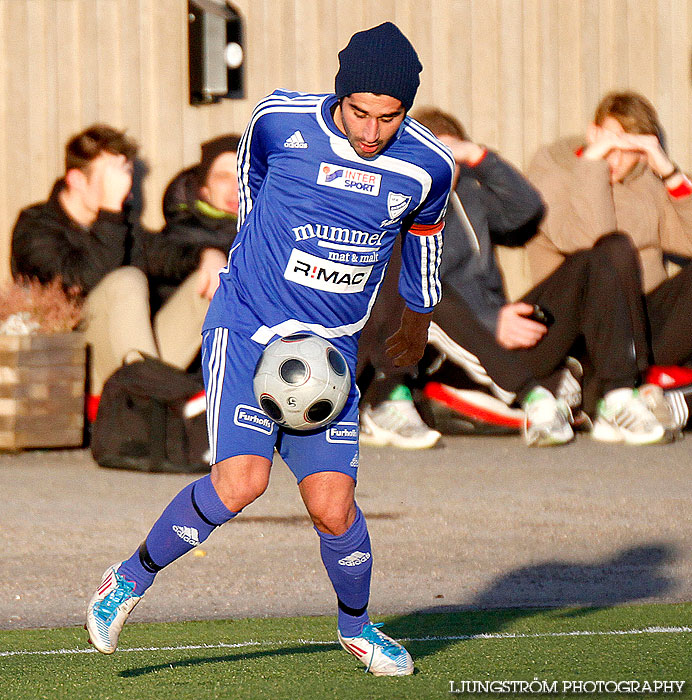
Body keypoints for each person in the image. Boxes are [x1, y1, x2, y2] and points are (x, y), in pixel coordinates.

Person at [85, 22, 453, 677]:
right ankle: (128, 579)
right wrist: (254, 265)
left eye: (389, 117)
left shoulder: (427, 165)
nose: (371, 133)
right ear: (340, 96)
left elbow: (425, 233)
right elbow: (253, 189)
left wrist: (419, 317)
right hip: (248, 329)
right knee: (241, 484)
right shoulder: (280, 122)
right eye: (360, 113)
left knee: (333, 508)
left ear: (407, 110)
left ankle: (359, 628)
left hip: (331, 355)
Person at [366, 106, 671, 447]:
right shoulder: (400, 206)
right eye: (436, 154)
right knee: (424, 286)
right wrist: (491, 320)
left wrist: (479, 156)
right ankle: (535, 396)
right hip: (452, 347)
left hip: (509, 336)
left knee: (606, 251)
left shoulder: (468, 194)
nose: (445, 165)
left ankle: (617, 398)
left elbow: (525, 209)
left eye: (452, 155)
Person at [10, 125, 212, 418]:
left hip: (129, 361)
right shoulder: (36, 226)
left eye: (127, 172)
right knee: (126, 281)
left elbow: (163, 254)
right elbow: (83, 280)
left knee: (208, 283)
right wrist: (110, 212)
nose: (126, 185)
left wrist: (207, 256)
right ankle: (154, 401)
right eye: (114, 175)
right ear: (77, 180)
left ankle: (154, 400)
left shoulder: (120, 224)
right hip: (76, 366)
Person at [526, 91, 692, 431]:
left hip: (643, 330)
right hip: (582, 328)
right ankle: (621, 394)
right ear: (593, 133)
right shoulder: (553, 167)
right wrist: (592, 164)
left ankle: (648, 388)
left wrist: (669, 171)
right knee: (614, 248)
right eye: (611, 144)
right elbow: (590, 243)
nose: (617, 159)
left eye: (629, 149)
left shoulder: (645, 180)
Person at [146, 135, 240, 314]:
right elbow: (161, 256)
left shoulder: (274, 233)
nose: (235, 188)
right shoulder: (182, 230)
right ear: (204, 190)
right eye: (223, 177)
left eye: (243, 175)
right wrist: (206, 255)